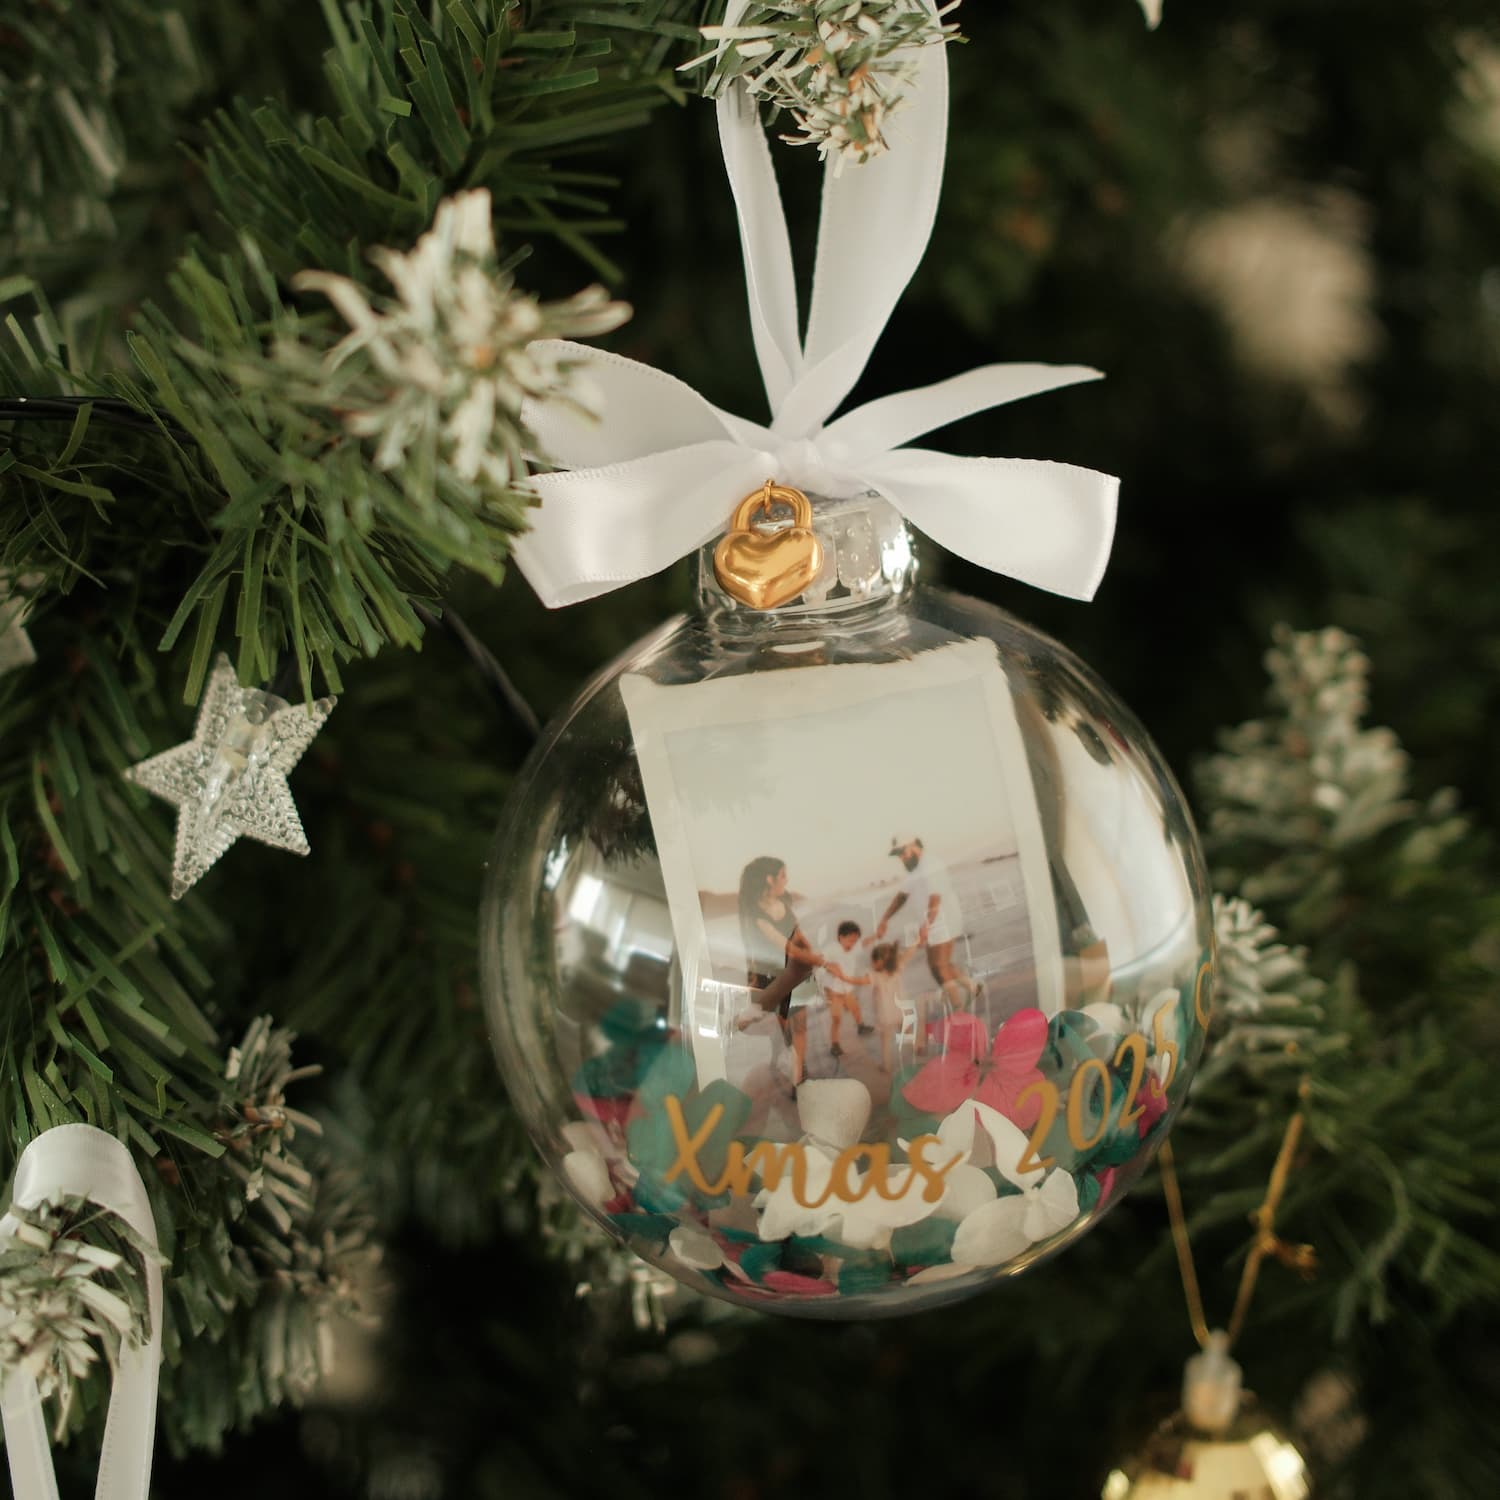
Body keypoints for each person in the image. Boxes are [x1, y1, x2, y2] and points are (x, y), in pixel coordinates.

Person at [734, 856, 824, 1081]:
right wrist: (815, 959)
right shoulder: (756, 915)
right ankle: (789, 1060)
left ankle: (798, 1074)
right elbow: (787, 947)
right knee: (788, 1030)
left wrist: (811, 953)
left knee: (800, 1025)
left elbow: (797, 935)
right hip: (776, 977)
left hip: (798, 972)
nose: (786, 879)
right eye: (783, 875)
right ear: (769, 879)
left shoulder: (784, 901)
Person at [874, 835, 980, 1014]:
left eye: (903, 852)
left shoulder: (931, 864)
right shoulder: (915, 870)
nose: (901, 858)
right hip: (933, 921)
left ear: (914, 846)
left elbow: (935, 898)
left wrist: (926, 925)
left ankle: (958, 1010)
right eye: (899, 855)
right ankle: (973, 987)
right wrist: (884, 919)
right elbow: (901, 897)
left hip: (943, 919)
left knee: (939, 966)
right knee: (939, 965)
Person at [869, 925, 929, 1070]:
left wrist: (841, 976)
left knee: (885, 1039)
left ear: (878, 962)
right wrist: (918, 940)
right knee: (906, 1030)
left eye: (873, 961)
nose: (871, 963)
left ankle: (886, 1064)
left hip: (885, 1014)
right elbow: (908, 954)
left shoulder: (875, 976)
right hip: (901, 1009)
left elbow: (857, 981)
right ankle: (916, 1047)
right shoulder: (897, 968)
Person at [815, 920, 875, 1056]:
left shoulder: (854, 947)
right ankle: (834, 1044)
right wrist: (829, 967)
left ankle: (861, 1026)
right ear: (840, 937)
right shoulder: (832, 949)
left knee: (855, 1008)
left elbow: (863, 944)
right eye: (850, 940)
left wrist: (875, 936)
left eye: (855, 941)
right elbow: (819, 960)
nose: (852, 944)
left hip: (847, 988)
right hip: (834, 990)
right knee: (836, 1018)